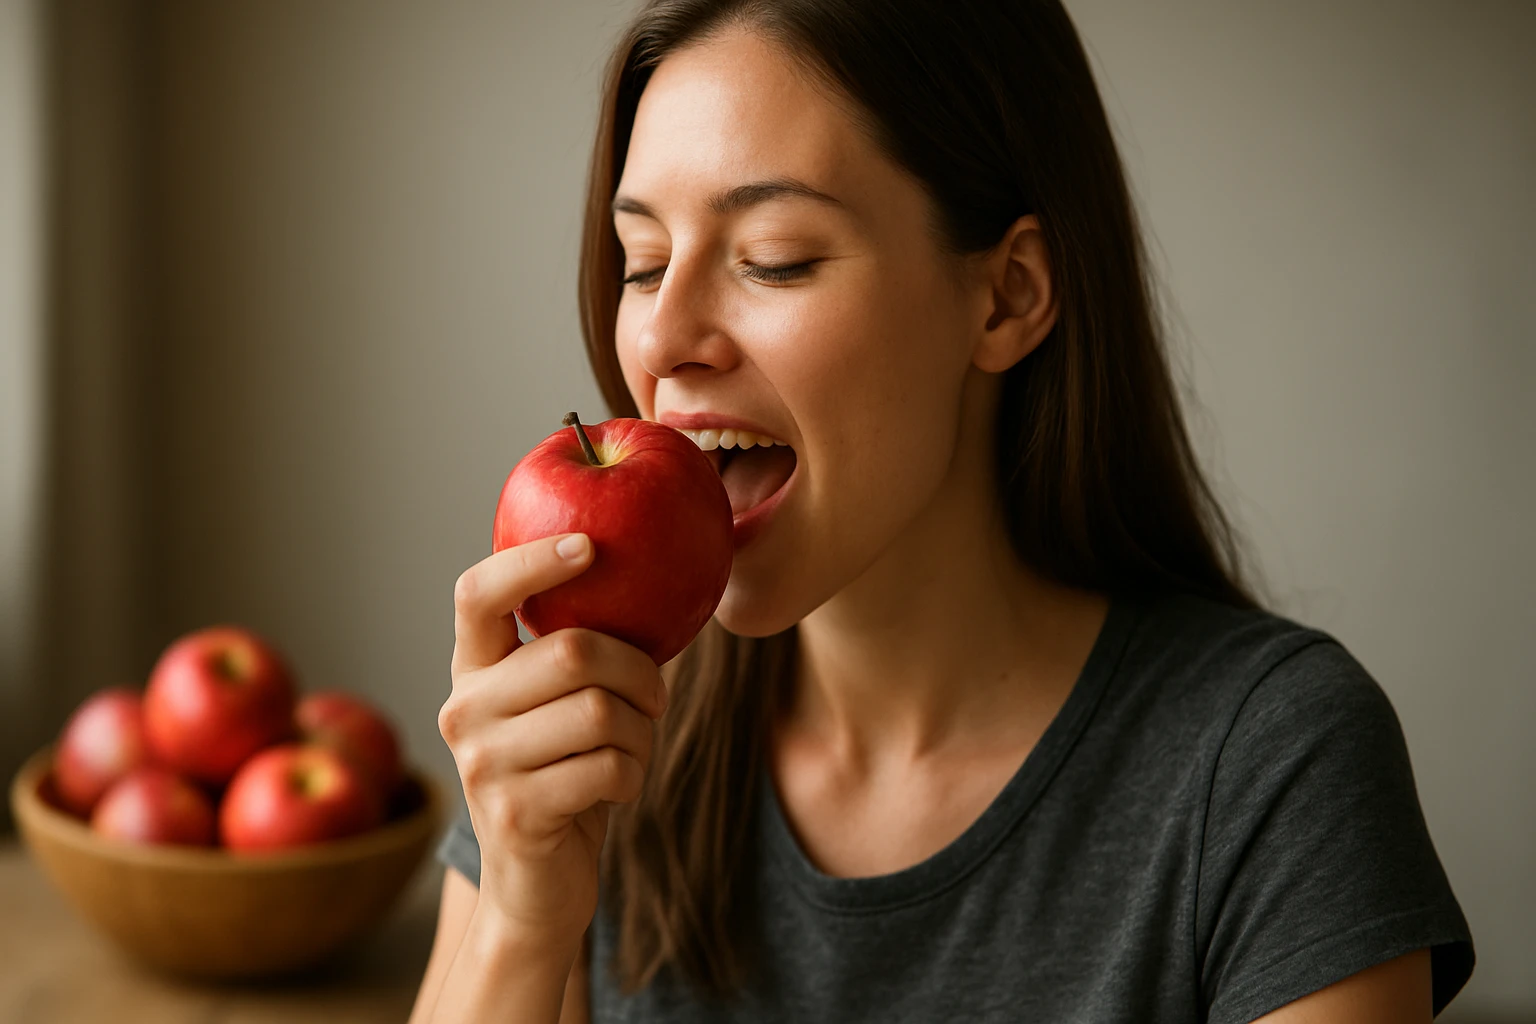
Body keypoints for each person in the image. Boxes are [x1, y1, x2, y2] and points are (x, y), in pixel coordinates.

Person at [409, 1, 1474, 1021]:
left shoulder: (1272, 764)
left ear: (1007, 294)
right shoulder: (594, 729)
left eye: (772, 258)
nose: (661, 337)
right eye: (642, 264)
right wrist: (519, 915)